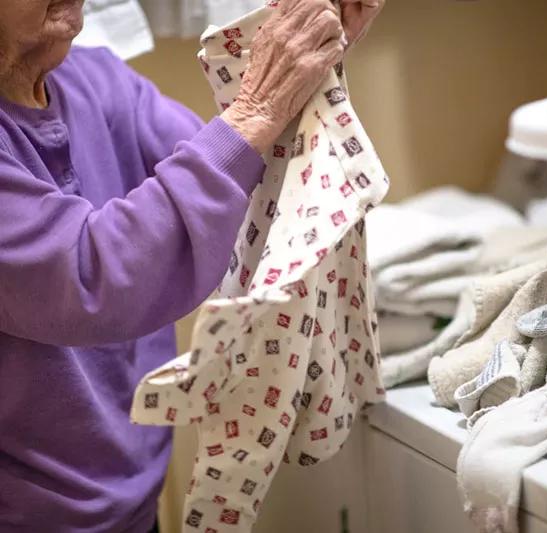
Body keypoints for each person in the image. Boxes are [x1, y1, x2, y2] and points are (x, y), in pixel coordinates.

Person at [0, 0, 384, 531]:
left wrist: (310, 56)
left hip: (130, 502)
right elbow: (91, 276)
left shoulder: (93, 78)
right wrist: (258, 108)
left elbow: (234, 185)